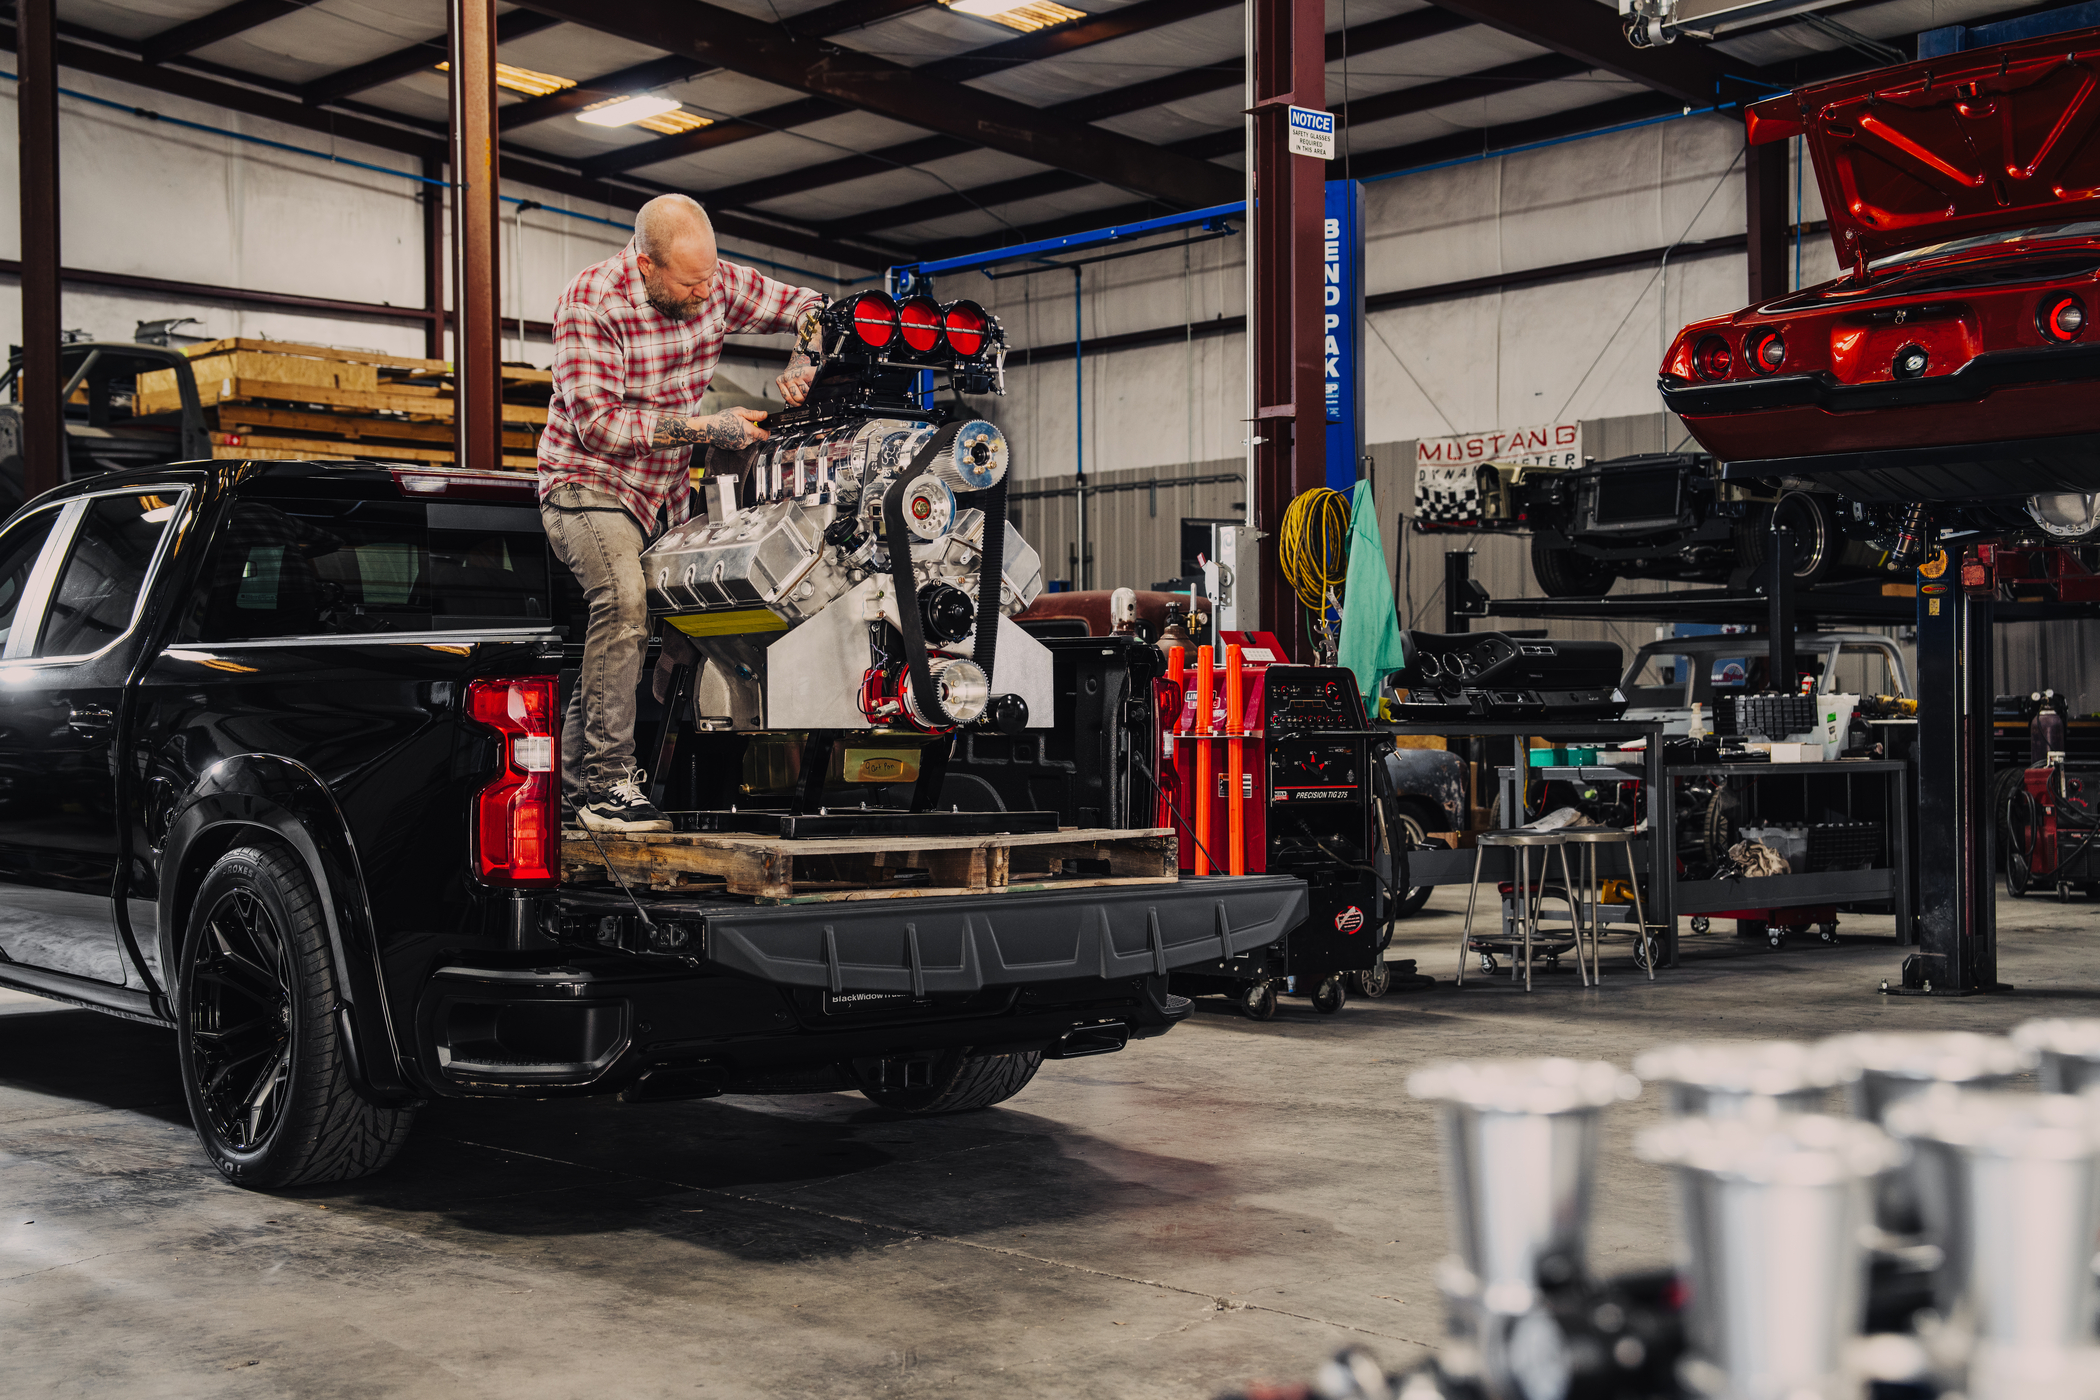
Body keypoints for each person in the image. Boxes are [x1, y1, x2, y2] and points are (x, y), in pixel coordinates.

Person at [539, 193, 824, 832]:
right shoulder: (591, 303)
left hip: (662, 493)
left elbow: (812, 308)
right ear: (645, 265)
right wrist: (709, 428)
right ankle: (608, 786)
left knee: (645, 630)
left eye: (710, 278)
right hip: (588, 483)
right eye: (690, 283)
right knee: (623, 603)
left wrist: (804, 363)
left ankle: (567, 795)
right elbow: (599, 425)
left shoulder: (718, 281)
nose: (706, 294)